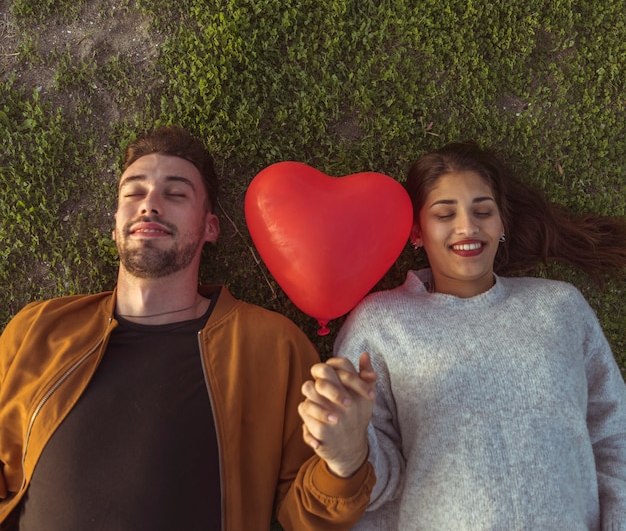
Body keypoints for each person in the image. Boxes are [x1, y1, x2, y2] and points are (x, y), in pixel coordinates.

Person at [0, 125, 375, 531]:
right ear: (115, 225)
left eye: (175, 193)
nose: (149, 205)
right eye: (133, 193)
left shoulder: (272, 346)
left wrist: (347, 459)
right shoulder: (39, 329)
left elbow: (306, 518)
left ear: (210, 228)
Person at [300, 141, 626, 529]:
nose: (467, 227)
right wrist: (350, 452)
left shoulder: (559, 307)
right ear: (417, 232)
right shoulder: (381, 325)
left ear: (502, 223)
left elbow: (613, 436)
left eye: (483, 211)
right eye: (444, 214)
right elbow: (375, 485)